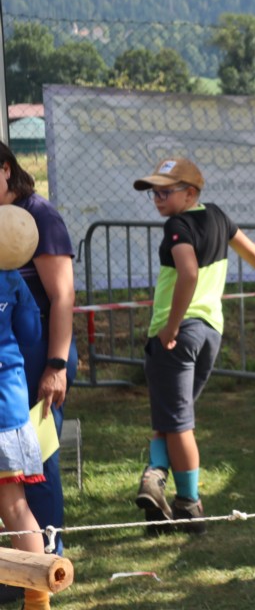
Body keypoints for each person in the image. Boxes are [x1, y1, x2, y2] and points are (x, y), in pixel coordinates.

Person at [132, 157, 255, 535]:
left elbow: (188, 272)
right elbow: (251, 251)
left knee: (178, 423)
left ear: (190, 193)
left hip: (176, 334)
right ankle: (156, 489)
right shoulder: (219, 216)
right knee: (171, 415)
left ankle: (186, 503)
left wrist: (170, 327)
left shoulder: (177, 226)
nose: (157, 198)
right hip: (210, 332)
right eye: (153, 193)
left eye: (165, 191)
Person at [0, 144, 76, 563]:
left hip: (42, 354)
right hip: (12, 361)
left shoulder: (39, 215)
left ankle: (47, 563)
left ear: (6, 169)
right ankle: (19, 567)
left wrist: (56, 365)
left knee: (37, 463)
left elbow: (62, 296)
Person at [0, 205, 54, 610]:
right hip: (10, 407)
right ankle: (38, 600)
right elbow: (32, 334)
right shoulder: (13, 280)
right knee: (17, 507)